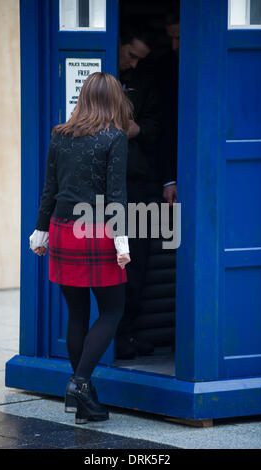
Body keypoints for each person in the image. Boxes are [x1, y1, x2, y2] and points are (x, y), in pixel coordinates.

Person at [29, 72, 133, 424]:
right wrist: (123, 241)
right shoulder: (115, 137)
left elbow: (50, 190)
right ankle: (80, 383)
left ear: (84, 97)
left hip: (62, 230)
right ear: (114, 100)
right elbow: (116, 193)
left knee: (76, 313)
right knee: (112, 310)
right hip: (99, 231)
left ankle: (83, 399)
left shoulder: (60, 135)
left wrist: (41, 232)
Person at [115, 22, 162, 359]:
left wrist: (139, 129)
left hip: (141, 188)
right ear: (118, 43)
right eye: (130, 55)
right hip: (104, 190)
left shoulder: (146, 81)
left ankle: (126, 336)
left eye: (139, 59)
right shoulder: (99, 82)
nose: (132, 64)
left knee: (137, 265)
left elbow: (165, 125)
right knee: (109, 267)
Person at [159, 10, 180, 206]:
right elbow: (165, 126)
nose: (174, 46)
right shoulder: (165, 68)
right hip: (171, 163)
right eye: (171, 38)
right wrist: (169, 178)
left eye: (179, 38)